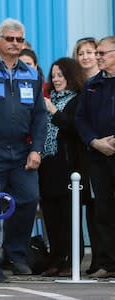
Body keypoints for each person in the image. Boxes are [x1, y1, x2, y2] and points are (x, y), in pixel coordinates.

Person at [0, 18, 47, 283]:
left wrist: (36, 149)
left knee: (28, 199)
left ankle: (15, 254)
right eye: (10, 39)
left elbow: (40, 116)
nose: (15, 44)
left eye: (19, 40)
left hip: (21, 151)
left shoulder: (32, 74)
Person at [38, 58, 86, 277]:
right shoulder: (49, 99)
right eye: (54, 75)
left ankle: (71, 259)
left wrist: (53, 111)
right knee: (51, 215)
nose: (56, 80)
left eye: (61, 75)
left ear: (71, 76)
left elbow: (73, 127)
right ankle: (55, 259)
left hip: (68, 166)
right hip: (47, 165)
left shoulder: (77, 100)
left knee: (69, 215)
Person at [75, 35, 115, 279]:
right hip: (99, 156)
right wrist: (94, 141)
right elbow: (81, 119)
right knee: (103, 210)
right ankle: (107, 263)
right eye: (96, 53)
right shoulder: (92, 85)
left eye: (102, 53)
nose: (97, 57)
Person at [72, 36, 101, 275]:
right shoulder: (76, 85)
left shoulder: (103, 82)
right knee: (90, 209)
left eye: (90, 52)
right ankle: (96, 260)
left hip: (102, 151)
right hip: (82, 154)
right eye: (81, 53)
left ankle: (104, 259)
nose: (86, 57)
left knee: (100, 208)